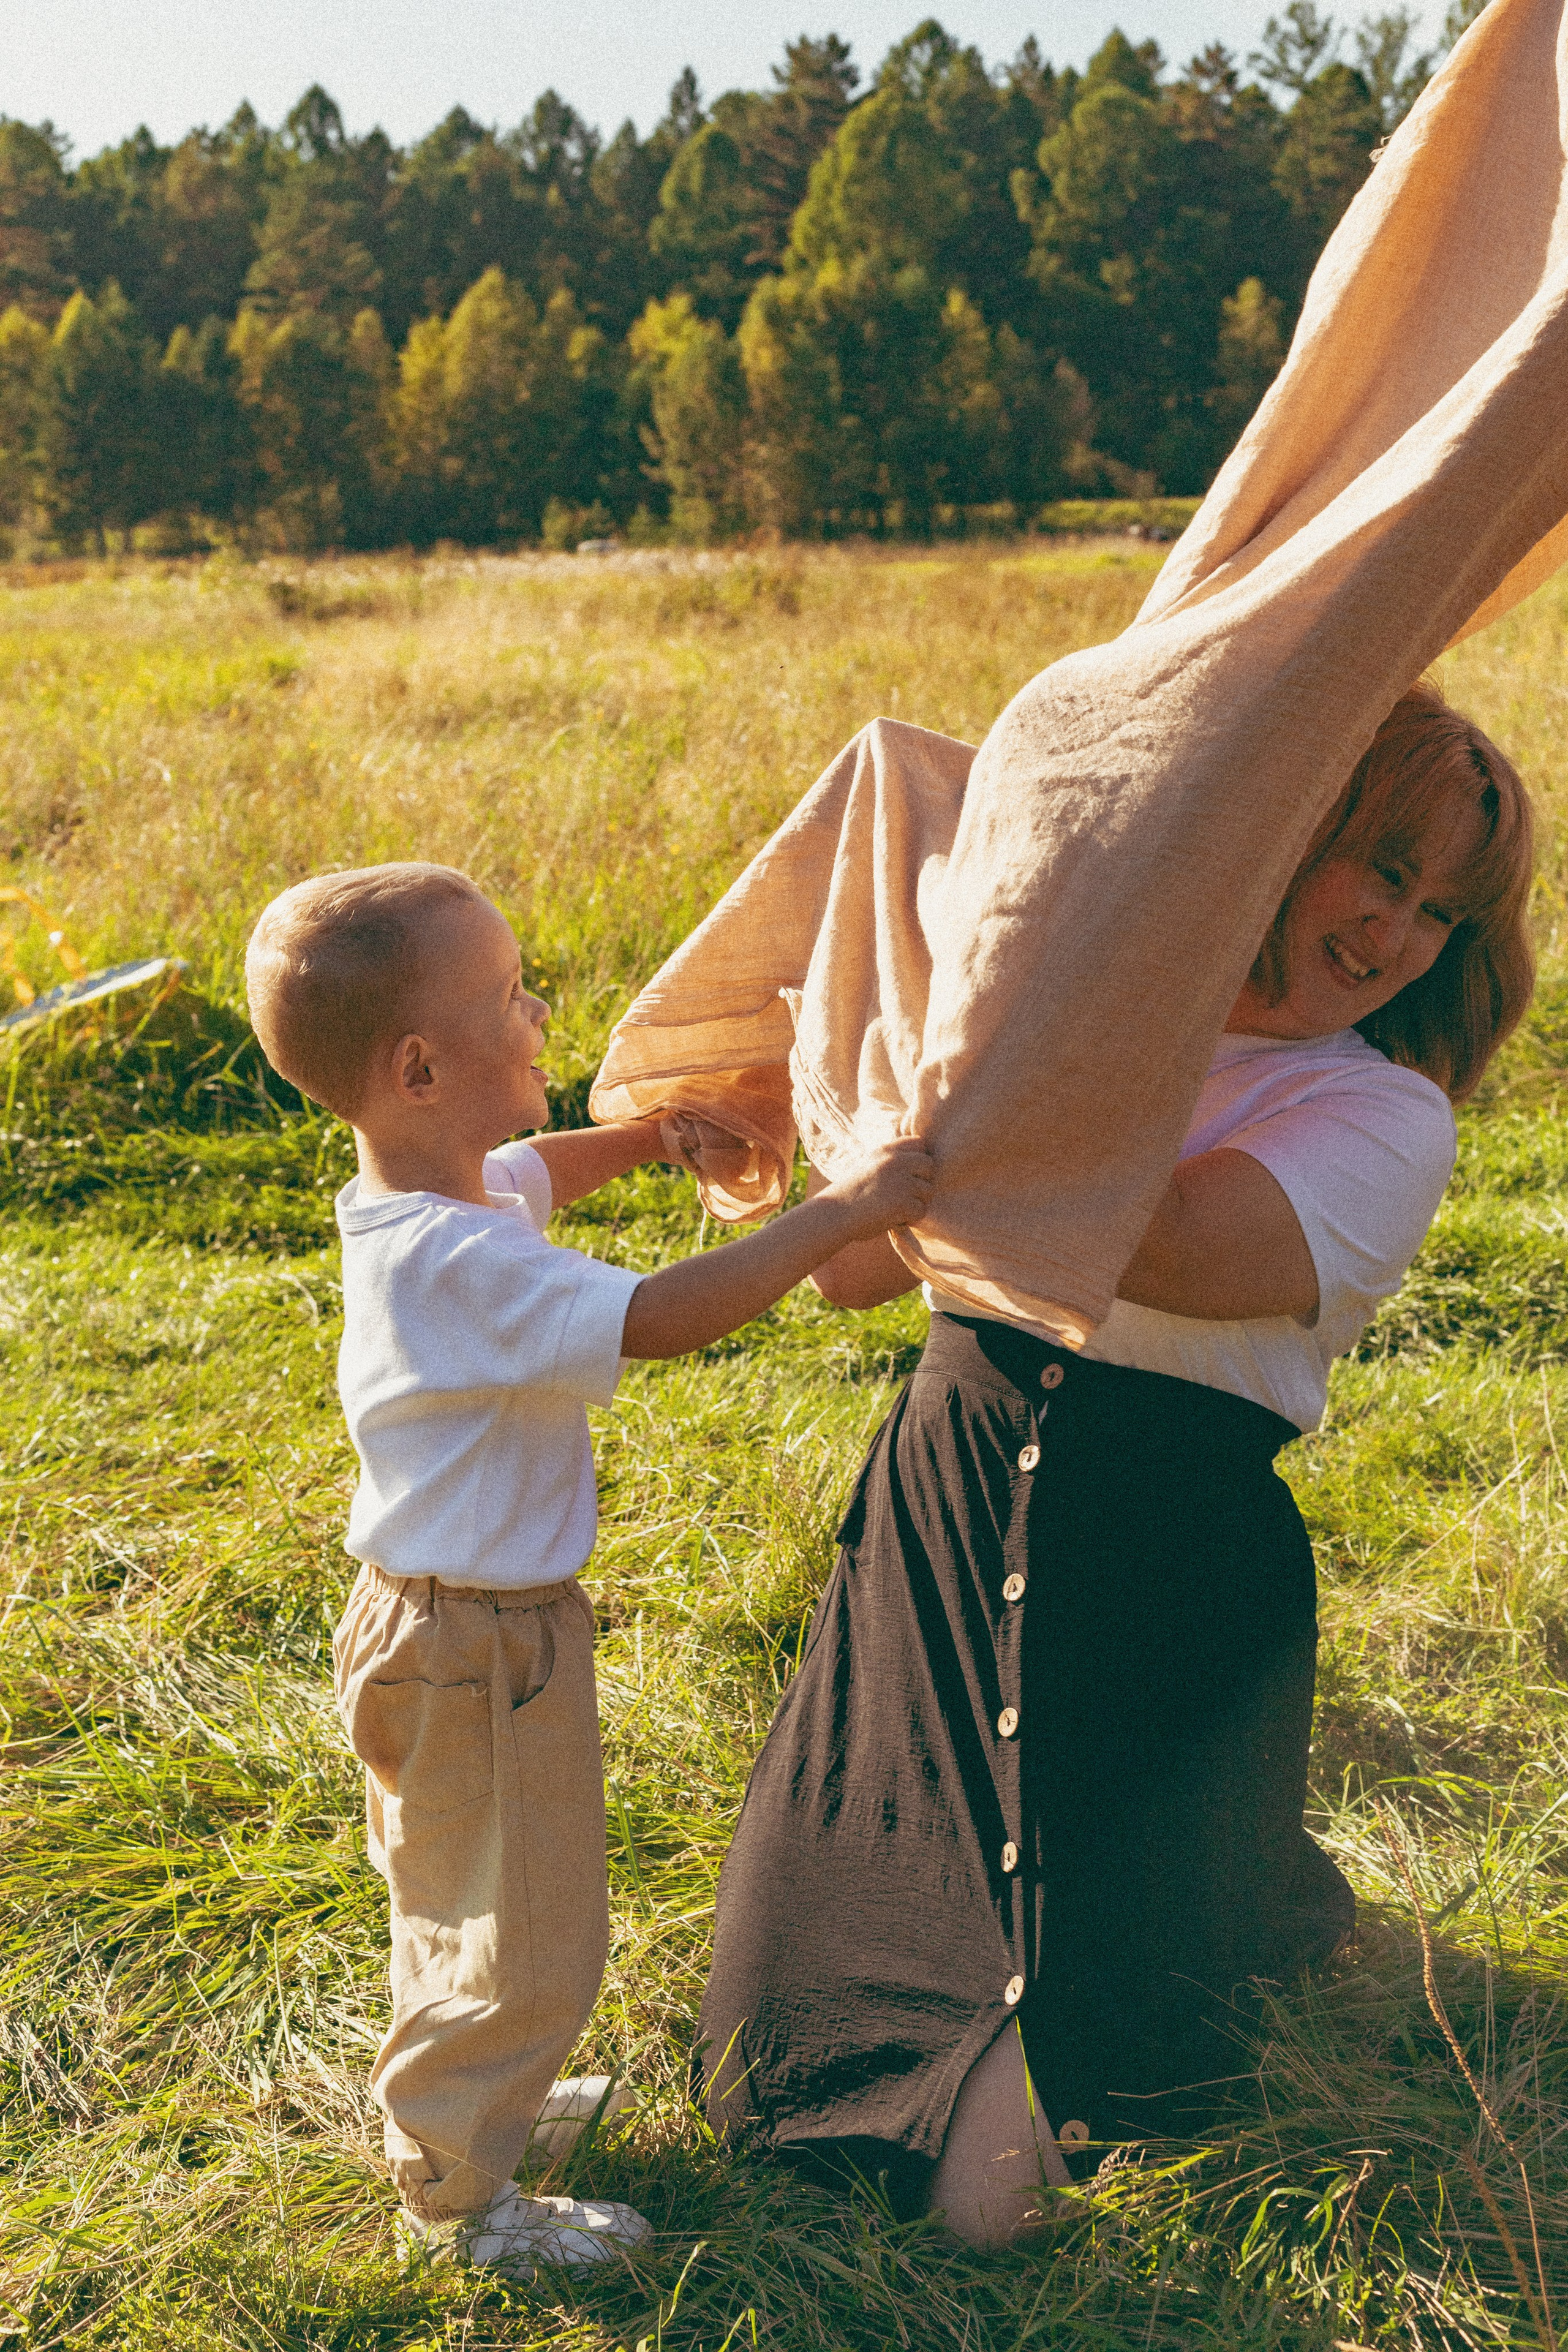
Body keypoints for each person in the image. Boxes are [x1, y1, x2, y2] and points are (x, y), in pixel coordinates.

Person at [696, 680, 1536, 2248]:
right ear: (1282, 829)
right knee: (772, 2079)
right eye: (1380, 867)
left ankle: (1239, 1898)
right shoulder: (1079, 1019)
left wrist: (999, 1023)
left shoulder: (1377, 1112)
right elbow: (853, 1274)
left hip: (1154, 1573)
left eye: (1438, 913)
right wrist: (955, 1028)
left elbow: (1158, 1243)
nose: (1393, 932)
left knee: (1050, 2148)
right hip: (940, 1528)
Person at [243, 862, 935, 2279]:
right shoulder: (455, 1265)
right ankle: (460, 2198)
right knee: (527, 1932)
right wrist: (841, 1213)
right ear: (420, 1068)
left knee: (467, 1893)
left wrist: (647, 1139)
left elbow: (536, 1170)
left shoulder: (437, 1195)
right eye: (511, 996)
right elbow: (663, 1316)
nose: (540, 1011)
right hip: (471, 1644)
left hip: (451, 1629)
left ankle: (472, 2103)